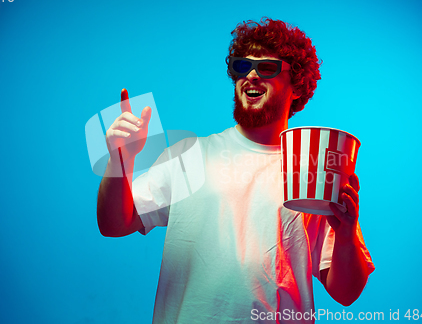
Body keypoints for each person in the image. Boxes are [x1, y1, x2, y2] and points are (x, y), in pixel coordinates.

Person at [97, 18, 374, 324]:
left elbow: (346, 293)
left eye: (267, 68)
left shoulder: (311, 174)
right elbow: (114, 224)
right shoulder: (188, 155)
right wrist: (119, 161)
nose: (252, 75)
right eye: (242, 67)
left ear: (296, 86)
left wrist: (346, 231)